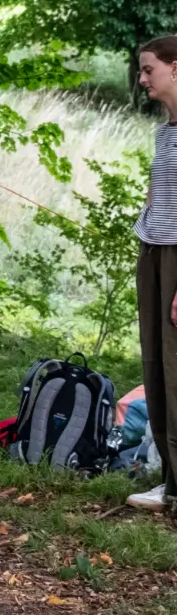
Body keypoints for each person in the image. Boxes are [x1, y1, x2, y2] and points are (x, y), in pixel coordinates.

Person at [129, 36, 177, 511]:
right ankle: (170, 480)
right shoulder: (167, 130)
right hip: (155, 251)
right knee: (156, 367)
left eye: (149, 70)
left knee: (176, 365)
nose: (143, 79)